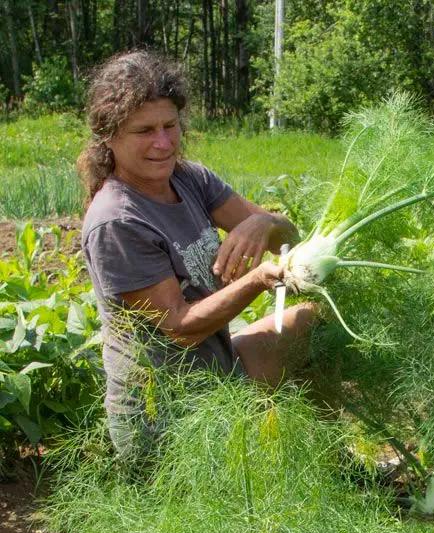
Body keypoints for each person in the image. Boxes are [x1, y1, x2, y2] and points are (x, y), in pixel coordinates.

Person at [79, 50, 315, 458]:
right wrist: (258, 279)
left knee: (314, 321)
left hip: (221, 371)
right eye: (145, 131)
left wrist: (267, 222)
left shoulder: (190, 179)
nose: (164, 143)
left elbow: (290, 242)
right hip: (167, 413)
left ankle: (325, 453)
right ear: (109, 136)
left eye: (170, 125)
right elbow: (179, 327)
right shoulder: (117, 221)